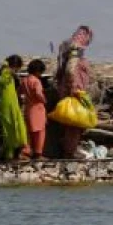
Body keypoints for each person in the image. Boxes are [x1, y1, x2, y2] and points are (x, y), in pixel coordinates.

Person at [55, 25, 93, 158]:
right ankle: (70, 151)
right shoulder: (74, 56)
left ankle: (69, 149)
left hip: (67, 94)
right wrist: (75, 90)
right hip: (74, 94)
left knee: (70, 123)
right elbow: (71, 73)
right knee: (74, 124)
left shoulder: (65, 50)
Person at [0, 55, 29, 161]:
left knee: (13, 129)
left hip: (12, 104)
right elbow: (1, 81)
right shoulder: (6, 72)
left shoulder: (8, 73)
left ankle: (11, 153)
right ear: (14, 65)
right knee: (10, 129)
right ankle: (10, 154)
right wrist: (9, 71)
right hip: (8, 105)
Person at [22, 59, 49, 159]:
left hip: (28, 108)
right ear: (38, 71)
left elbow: (18, 92)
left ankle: (27, 151)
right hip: (37, 109)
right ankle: (38, 153)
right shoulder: (36, 81)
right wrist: (44, 100)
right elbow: (38, 93)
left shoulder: (24, 80)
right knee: (39, 132)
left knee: (28, 131)